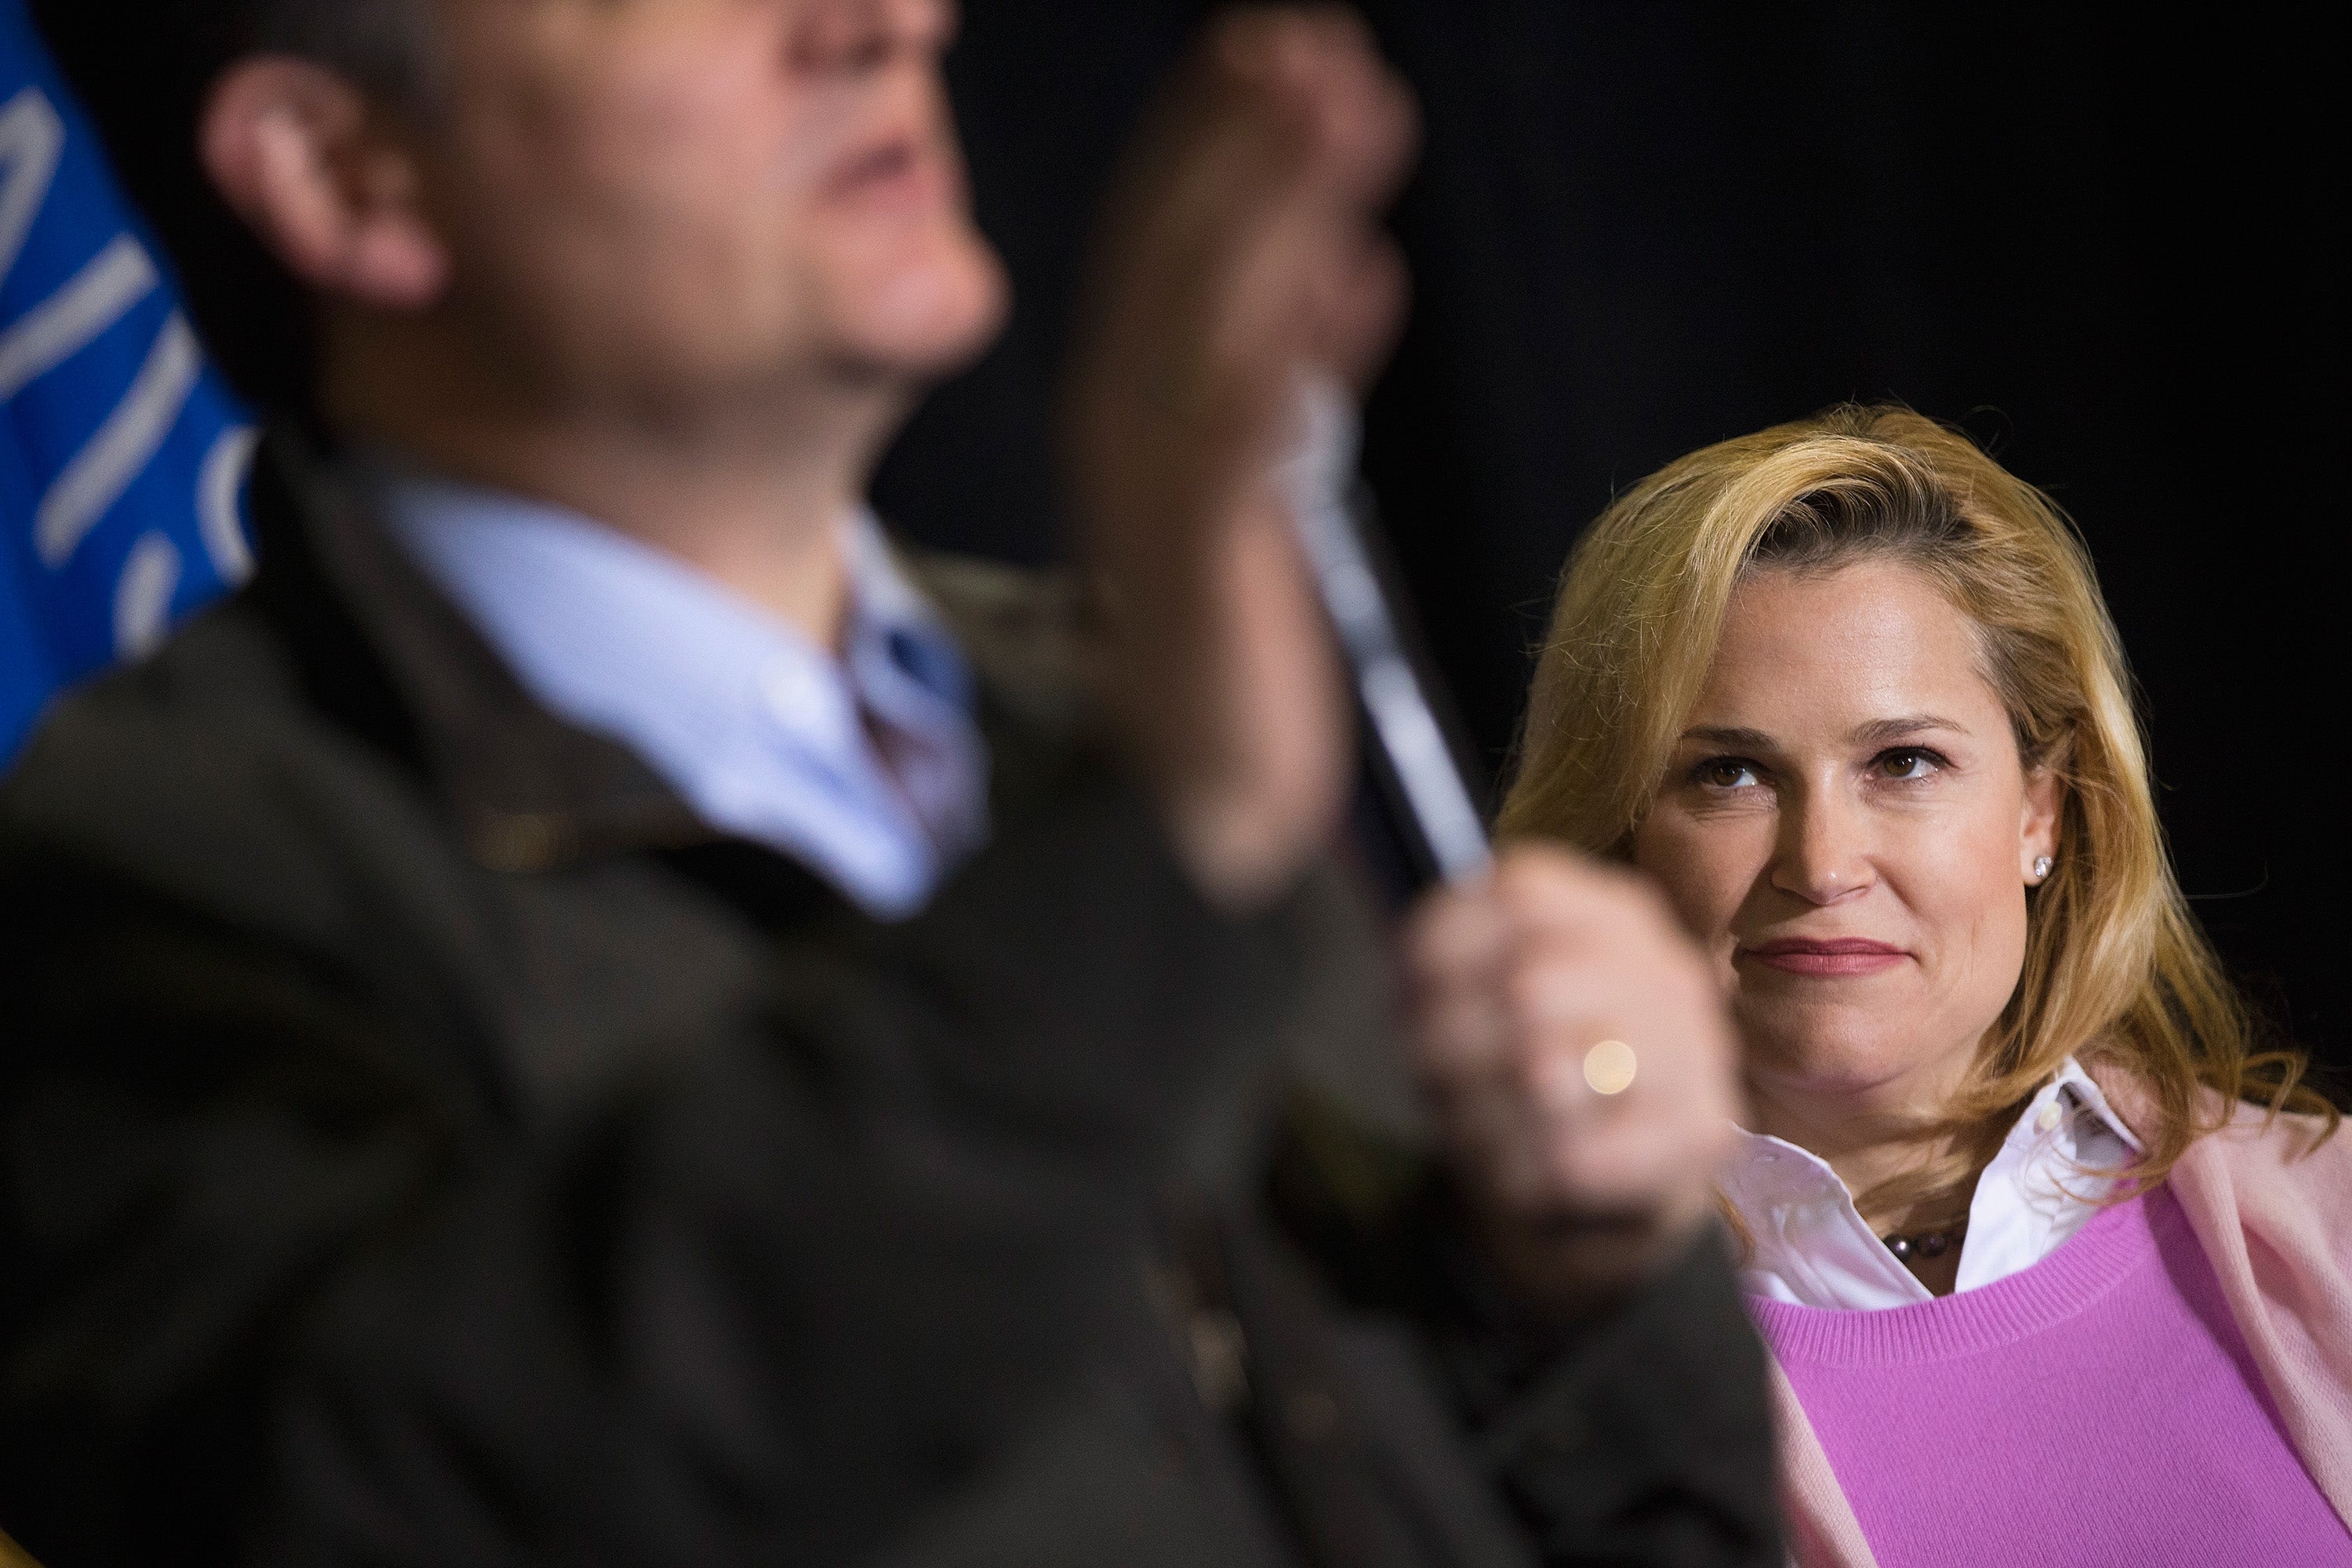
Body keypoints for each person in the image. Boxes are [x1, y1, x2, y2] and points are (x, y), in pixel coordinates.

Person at [1, 2, 1777, 1563]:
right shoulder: (155, 860)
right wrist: (1161, 847)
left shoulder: (1097, 699)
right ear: (345, 174)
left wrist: (1589, 1282)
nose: (890, 17)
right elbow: (427, 1486)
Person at [1499, 401, 2352, 1567]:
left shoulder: (2332, 1214)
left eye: (1904, 762)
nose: (1823, 866)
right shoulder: (1512, 1353)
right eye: (1733, 774)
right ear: (1623, 842)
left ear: (2040, 813)